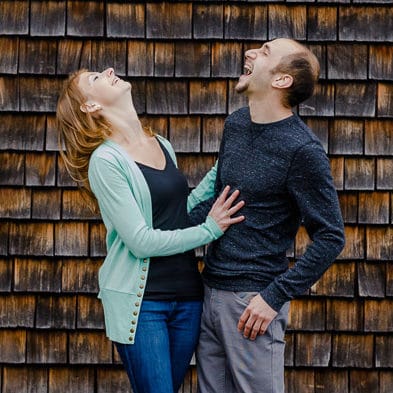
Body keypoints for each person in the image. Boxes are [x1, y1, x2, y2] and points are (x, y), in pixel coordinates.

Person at [56, 67, 245, 393]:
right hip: (143, 306)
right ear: (90, 107)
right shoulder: (105, 161)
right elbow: (140, 241)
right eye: (95, 78)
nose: (109, 71)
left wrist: (228, 161)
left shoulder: (160, 144)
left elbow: (179, 211)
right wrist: (210, 230)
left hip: (187, 298)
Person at [189, 38, 345, 393]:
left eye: (265, 52)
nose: (250, 53)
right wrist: (158, 229)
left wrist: (274, 297)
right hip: (210, 290)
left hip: (252, 304)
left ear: (282, 80)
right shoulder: (236, 124)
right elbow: (218, 201)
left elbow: (331, 237)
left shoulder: (301, 150)